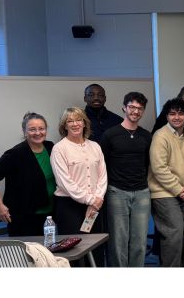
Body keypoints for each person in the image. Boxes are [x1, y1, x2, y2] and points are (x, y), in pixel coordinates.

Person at [100, 92, 152, 267]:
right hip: (117, 192)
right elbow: (102, 165)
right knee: (118, 241)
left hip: (142, 193)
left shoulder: (146, 136)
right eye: (132, 107)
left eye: (140, 108)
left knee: (139, 241)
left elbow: (148, 163)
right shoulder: (110, 134)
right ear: (124, 107)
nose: (135, 111)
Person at [50, 107, 108, 265]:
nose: (75, 124)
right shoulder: (59, 149)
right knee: (73, 251)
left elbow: (102, 176)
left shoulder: (95, 146)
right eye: (70, 121)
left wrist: (97, 200)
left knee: (96, 247)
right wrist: (90, 199)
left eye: (78, 120)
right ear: (64, 126)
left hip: (95, 204)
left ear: (84, 123)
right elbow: (64, 181)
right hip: (69, 206)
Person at [148, 98, 184, 267]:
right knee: (175, 230)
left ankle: (181, 265)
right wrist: (179, 190)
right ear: (167, 116)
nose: (176, 117)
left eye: (181, 113)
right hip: (163, 192)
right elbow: (158, 168)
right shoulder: (160, 136)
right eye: (172, 114)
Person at [0, 113, 55, 236]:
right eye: (32, 129)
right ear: (24, 132)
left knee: (49, 253)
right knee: (27, 254)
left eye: (41, 128)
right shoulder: (15, 154)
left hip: (50, 215)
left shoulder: (50, 147)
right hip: (25, 217)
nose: (37, 133)